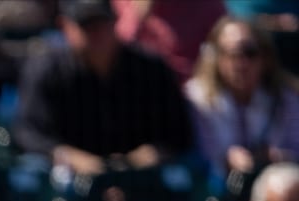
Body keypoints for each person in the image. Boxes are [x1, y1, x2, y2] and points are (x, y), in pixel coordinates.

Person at [13, 0, 192, 178]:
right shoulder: (47, 70)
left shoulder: (151, 68)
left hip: (141, 179)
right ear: (65, 26)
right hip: (71, 182)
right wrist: (68, 156)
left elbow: (178, 131)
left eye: (101, 23)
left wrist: (151, 153)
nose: (96, 33)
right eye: (86, 26)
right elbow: (27, 132)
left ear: (115, 22)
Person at [187, 16, 299, 181]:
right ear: (215, 58)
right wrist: (226, 159)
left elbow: (295, 148)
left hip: (273, 187)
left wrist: (276, 156)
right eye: (230, 54)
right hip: (215, 193)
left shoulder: (286, 97)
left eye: (249, 53)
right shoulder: (197, 99)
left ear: (265, 57)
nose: (240, 63)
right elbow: (197, 158)